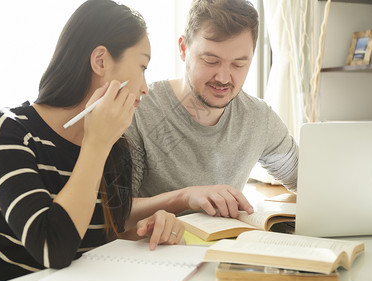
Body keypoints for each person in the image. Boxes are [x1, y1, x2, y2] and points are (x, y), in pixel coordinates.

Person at [0, 1, 184, 281]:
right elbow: (53, 248)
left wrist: (151, 228)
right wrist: (96, 143)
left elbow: (100, 236)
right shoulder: (5, 131)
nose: (145, 87)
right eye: (142, 66)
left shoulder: (115, 148)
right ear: (100, 60)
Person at [125, 0, 298, 217]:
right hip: (150, 249)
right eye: (210, 60)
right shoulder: (139, 110)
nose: (224, 78)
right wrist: (184, 197)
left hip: (222, 248)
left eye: (238, 64)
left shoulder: (259, 118)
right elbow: (114, 213)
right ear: (183, 49)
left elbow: (306, 181)